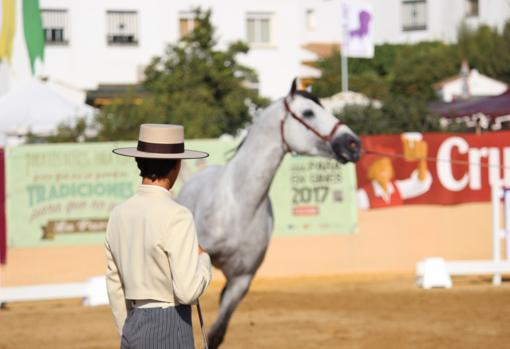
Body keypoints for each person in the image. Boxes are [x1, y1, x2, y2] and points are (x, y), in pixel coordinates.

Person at [105, 123, 212, 348]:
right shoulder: (177, 215)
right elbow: (187, 291)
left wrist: (128, 330)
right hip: (170, 324)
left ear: (139, 162)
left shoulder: (118, 214)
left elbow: (115, 286)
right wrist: (204, 259)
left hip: (132, 326)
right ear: (177, 165)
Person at [357, 139, 432, 209]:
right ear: (371, 172)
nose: (384, 169)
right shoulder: (363, 195)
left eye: (387, 165)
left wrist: (422, 161)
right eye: (379, 166)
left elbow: (420, 184)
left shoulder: (397, 188)